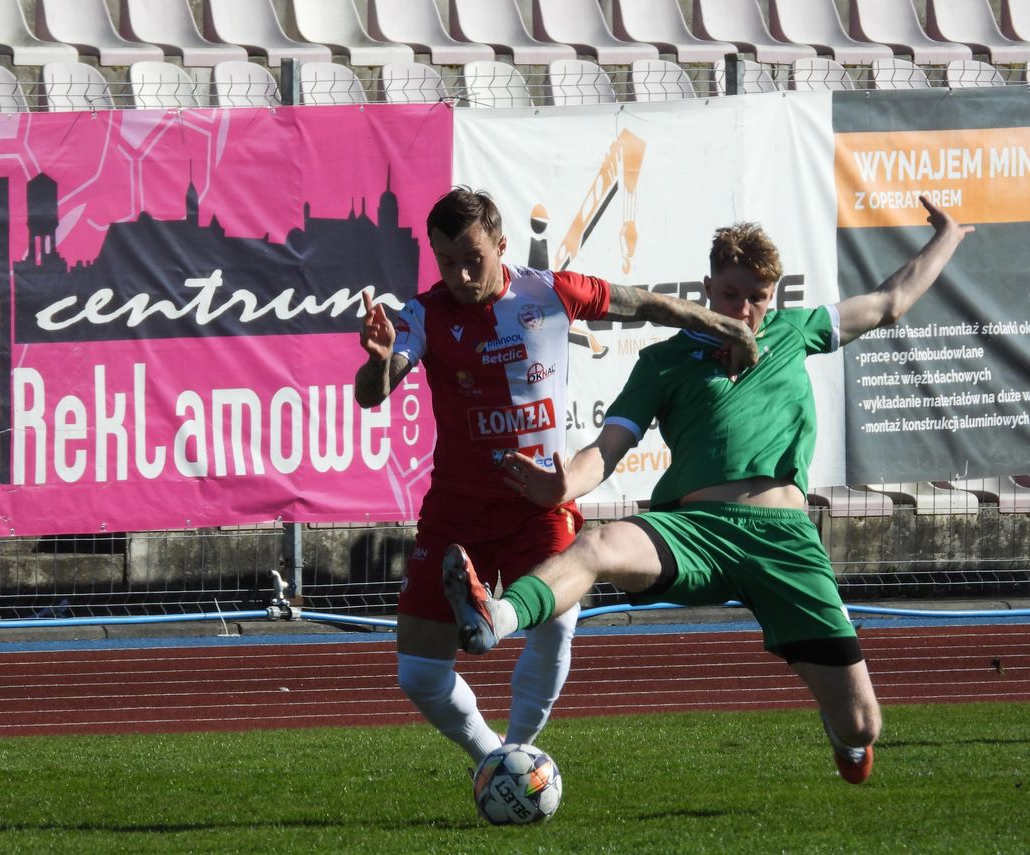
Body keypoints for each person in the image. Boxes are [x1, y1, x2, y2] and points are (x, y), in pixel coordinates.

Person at [443, 195, 974, 783]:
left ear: (774, 295)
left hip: (785, 541)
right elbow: (608, 448)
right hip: (695, 532)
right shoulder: (665, 362)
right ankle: (498, 616)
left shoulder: (794, 332)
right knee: (595, 545)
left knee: (862, 725)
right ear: (706, 290)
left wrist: (948, 235)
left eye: (757, 297)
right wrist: (565, 483)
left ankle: (845, 738)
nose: (743, 310)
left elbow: (891, 303)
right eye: (730, 295)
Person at [354, 186, 758, 766]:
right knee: (418, 674)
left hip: (537, 502)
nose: (461, 275)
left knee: (558, 624)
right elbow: (373, 393)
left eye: (473, 259)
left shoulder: (548, 292)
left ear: (502, 247)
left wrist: (721, 324)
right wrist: (376, 362)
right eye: (447, 262)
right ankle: (494, 760)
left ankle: (518, 756)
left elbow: (644, 304)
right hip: (456, 510)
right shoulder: (422, 315)